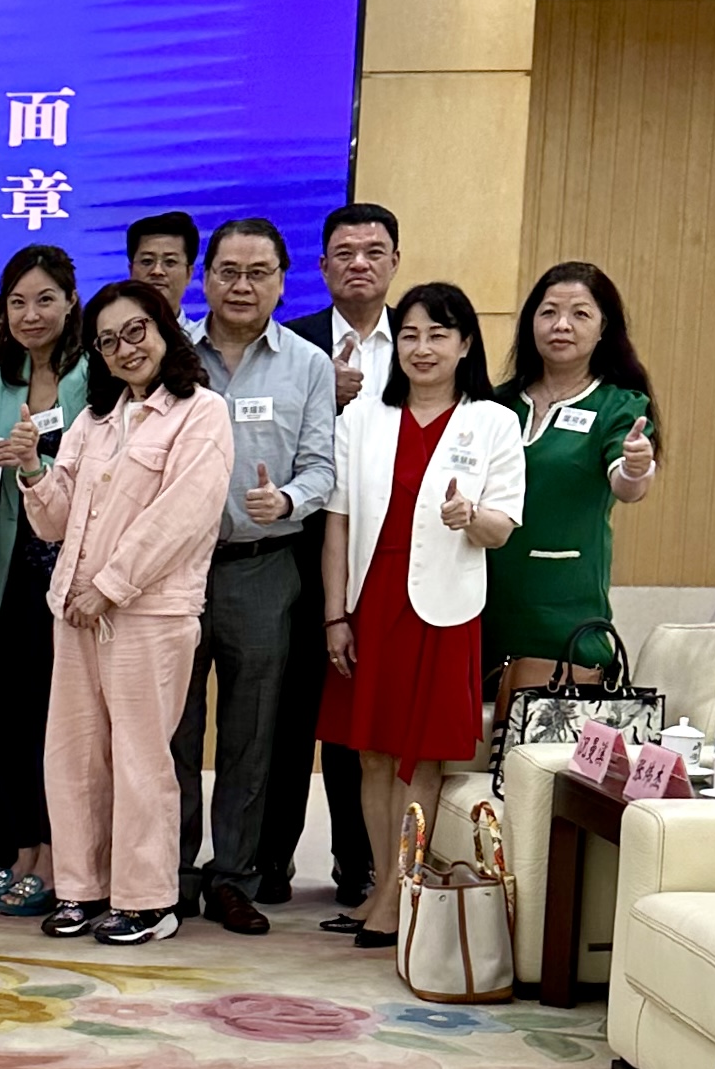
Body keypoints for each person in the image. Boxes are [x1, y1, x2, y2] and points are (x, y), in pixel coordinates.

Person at [3, 279, 232, 946]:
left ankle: (148, 901)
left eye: (137, 331)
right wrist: (32, 470)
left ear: (164, 330)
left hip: (149, 613)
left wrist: (107, 586)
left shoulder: (201, 412)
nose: (125, 348)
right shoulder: (95, 419)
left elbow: (183, 517)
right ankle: (82, 888)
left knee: (140, 759)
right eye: (108, 341)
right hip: (76, 611)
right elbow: (54, 522)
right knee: (73, 757)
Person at [319, 282, 523, 946]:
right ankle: (385, 884)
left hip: (442, 607)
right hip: (371, 597)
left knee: (420, 755)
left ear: (465, 344)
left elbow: (502, 528)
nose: (422, 347)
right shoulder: (363, 418)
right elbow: (338, 522)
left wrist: (471, 515)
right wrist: (335, 615)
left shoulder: (492, 421)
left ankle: (400, 892)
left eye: (438, 334)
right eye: (409, 334)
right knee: (372, 754)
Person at [170, 219, 337, 937]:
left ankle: (234, 877)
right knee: (171, 731)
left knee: (252, 733)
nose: (242, 286)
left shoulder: (308, 364)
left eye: (259, 272)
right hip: (172, 569)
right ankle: (169, 873)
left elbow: (323, 467)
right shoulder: (170, 351)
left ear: (282, 280)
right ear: (205, 277)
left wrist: (289, 501)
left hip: (262, 568)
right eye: (229, 271)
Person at [266, 201, 401, 907]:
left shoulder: (420, 340)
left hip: (382, 556)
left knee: (362, 720)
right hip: (297, 550)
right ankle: (270, 861)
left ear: (395, 263)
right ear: (321, 267)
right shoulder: (292, 345)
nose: (359, 264)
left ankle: (360, 863)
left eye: (374, 252)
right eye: (344, 253)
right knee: (287, 718)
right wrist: (327, 398)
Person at [0, 245, 89, 918]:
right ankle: (18, 850)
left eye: (45, 299)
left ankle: (54, 856)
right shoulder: (1, 372)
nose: (31, 314)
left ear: (70, 302)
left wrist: (36, 452)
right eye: (18, 302)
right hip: (5, 562)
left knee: (56, 721)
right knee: (9, 719)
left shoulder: (93, 372)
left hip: (66, 566)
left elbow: (99, 462)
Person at [489, 262, 658, 669]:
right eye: (548, 312)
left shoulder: (617, 404)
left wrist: (636, 467)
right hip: (483, 599)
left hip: (564, 607)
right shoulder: (496, 403)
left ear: (603, 329)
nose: (561, 325)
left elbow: (627, 485)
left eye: (580, 314)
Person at [125, 211, 202, 328]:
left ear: (189, 274)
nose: (157, 271)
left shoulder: (203, 338)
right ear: (131, 270)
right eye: (147, 261)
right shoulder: (109, 336)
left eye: (170, 262)